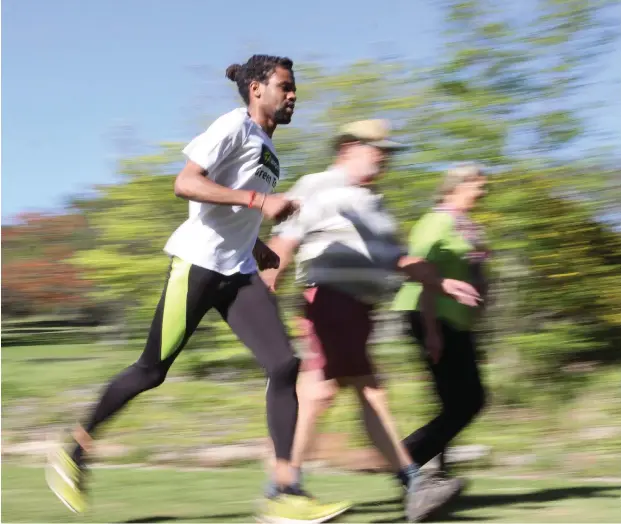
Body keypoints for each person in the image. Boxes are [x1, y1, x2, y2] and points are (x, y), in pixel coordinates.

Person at [46, 54, 351, 523]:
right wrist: (258, 201)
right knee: (151, 371)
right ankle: (74, 451)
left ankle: (285, 492)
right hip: (198, 266)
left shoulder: (268, 148)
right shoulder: (234, 125)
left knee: (285, 364)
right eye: (285, 86)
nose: (294, 95)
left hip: (237, 271)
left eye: (294, 88)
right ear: (257, 89)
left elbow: (233, 213)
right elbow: (186, 183)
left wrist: (259, 246)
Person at [261, 120, 481, 522]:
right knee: (334, 390)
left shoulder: (375, 204)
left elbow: (398, 258)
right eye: (377, 149)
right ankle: (287, 489)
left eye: (388, 151)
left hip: (360, 309)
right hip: (327, 298)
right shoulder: (319, 185)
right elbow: (285, 239)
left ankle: (287, 486)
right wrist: (264, 284)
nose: (385, 158)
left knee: (349, 392)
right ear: (348, 147)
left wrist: (442, 281)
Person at [393, 162, 490, 493]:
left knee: (458, 403)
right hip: (431, 316)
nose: (483, 190)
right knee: (467, 402)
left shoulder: (466, 225)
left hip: (456, 320)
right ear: (457, 186)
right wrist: (431, 330)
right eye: (478, 184)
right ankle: (407, 459)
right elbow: (422, 272)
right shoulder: (436, 221)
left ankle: (432, 478)